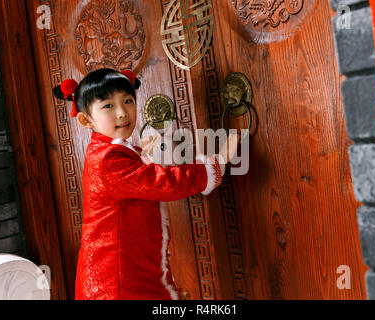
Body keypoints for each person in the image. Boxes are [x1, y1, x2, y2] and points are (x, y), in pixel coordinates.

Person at [52, 68, 237, 300]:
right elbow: (161, 182)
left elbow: (141, 180)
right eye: (108, 106)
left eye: (128, 101)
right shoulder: (108, 160)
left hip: (123, 271)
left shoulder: (111, 151)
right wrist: (215, 165)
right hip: (115, 280)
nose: (122, 112)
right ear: (85, 119)